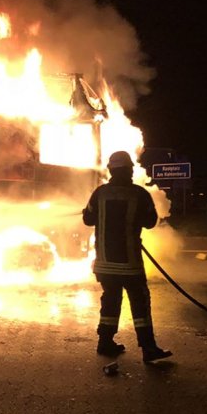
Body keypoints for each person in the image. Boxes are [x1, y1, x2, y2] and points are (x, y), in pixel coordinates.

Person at [82, 150, 172, 363]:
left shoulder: (100, 193)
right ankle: (148, 348)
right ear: (130, 169)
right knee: (140, 304)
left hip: (105, 264)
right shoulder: (139, 194)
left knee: (110, 303)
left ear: (111, 170)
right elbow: (150, 222)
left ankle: (105, 343)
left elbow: (87, 219)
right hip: (130, 263)